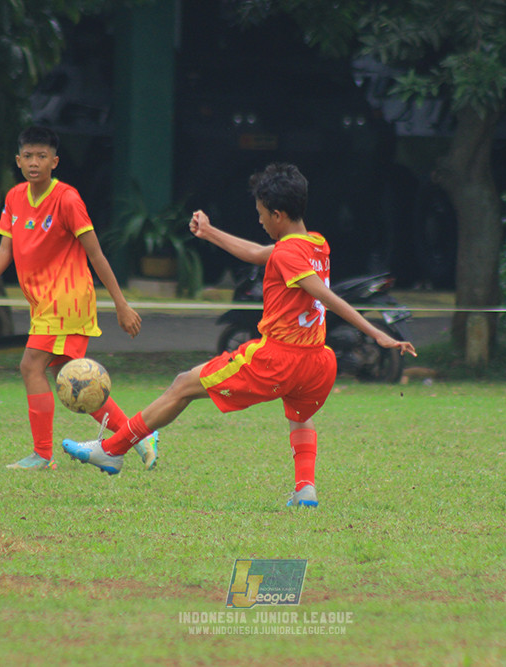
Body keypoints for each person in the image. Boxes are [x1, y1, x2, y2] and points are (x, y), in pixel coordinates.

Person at [61, 163, 416, 507]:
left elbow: (327, 296)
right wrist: (209, 232)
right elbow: (259, 254)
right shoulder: (316, 243)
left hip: (278, 358)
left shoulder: (288, 253)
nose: (259, 221)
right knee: (299, 414)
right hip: (316, 362)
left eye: (261, 214)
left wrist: (377, 333)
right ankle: (305, 489)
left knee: (183, 384)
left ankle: (112, 451)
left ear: (278, 214)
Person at [0, 126, 158, 471]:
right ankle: (139, 436)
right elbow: (5, 251)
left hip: (68, 300)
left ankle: (42, 454)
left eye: (42, 156)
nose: (34, 163)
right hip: (43, 305)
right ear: (18, 160)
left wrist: (121, 304)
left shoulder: (67, 199)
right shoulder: (15, 197)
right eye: (28, 156)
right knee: (74, 380)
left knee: (30, 366)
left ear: (54, 161)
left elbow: (96, 254)